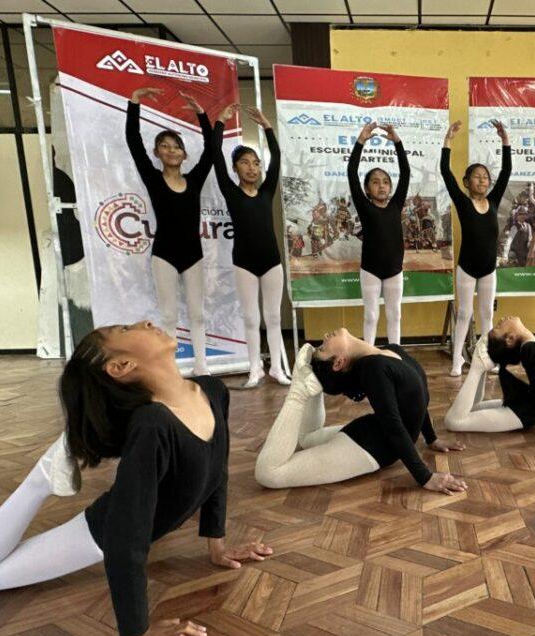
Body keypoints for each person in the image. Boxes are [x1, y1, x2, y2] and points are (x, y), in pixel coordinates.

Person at [0, 321, 272, 636]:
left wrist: (217, 545)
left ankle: (45, 475)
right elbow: (127, 534)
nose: (145, 322)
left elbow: (218, 470)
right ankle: (40, 481)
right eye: (127, 329)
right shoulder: (152, 425)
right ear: (121, 366)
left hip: (119, 531)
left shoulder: (213, 390)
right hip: (99, 536)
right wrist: (135, 634)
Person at [254, 329, 467, 494]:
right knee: (268, 474)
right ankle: (302, 389)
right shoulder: (374, 368)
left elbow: (417, 399)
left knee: (307, 438)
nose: (325, 337)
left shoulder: (391, 350)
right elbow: (393, 424)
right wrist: (425, 477)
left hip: (369, 437)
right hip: (369, 447)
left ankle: (310, 384)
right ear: (339, 362)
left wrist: (431, 439)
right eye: (323, 348)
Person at [126, 87, 213, 375]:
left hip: (193, 254)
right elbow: (133, 142)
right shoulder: (152, 178)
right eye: (165, 146)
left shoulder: (195, 179)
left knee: (198, 314)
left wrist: (202, 114)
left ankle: (201, 365)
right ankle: (171, 368)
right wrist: (134, 103)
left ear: (184, 154)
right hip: (164, 253)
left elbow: (212, 150)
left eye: (176, 146)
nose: (171, 150)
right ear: (157, 153)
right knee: (169, 315)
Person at [212, 103, 288, 388]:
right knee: (251, 317)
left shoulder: (267, 191)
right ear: (235, 168)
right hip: (243, 262)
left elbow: (277, 157)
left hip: (271, 262)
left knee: (273, 317)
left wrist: (267, 126)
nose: (252, 167)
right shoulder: (231, 192)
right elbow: (215, 159)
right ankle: (255, 368)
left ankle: (277, 368)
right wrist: (220, 121)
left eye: (255, 163)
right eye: (245, 162)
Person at [444, 317, 535, 445]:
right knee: (462, 414)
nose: (502, 319)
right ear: (510, 338)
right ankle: (478, 367)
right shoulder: (533, 350)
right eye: (499, 326)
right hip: (522, 408)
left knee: (455, 420)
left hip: (523, 412)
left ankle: (478, 367)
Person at [441, 119, 511, 377]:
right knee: (464, 314)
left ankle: (487, 357)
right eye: (476, 177)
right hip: (467, 268)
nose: (482, 180)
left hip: (488, 268)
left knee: (487, 317)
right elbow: (446, 174)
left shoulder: (493, 200)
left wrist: (505, 142)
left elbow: (505, 173)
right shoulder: (462, 201)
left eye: (485, 177)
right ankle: (457, 359)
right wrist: (448, 141)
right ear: (467, 181)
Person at [347, 121, 411, 346]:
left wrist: (398, 143)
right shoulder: (365, 207)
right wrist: (361, 141)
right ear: (367, 189)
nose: (381, 186)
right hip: (370, 270)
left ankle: (396, 352)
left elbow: (405, 173)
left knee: (395, 315)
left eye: (385, 182)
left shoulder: (396, 204)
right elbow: (352, 172)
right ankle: (369, 352)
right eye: (375, 182)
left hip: (394, 270)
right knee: (371, 315)